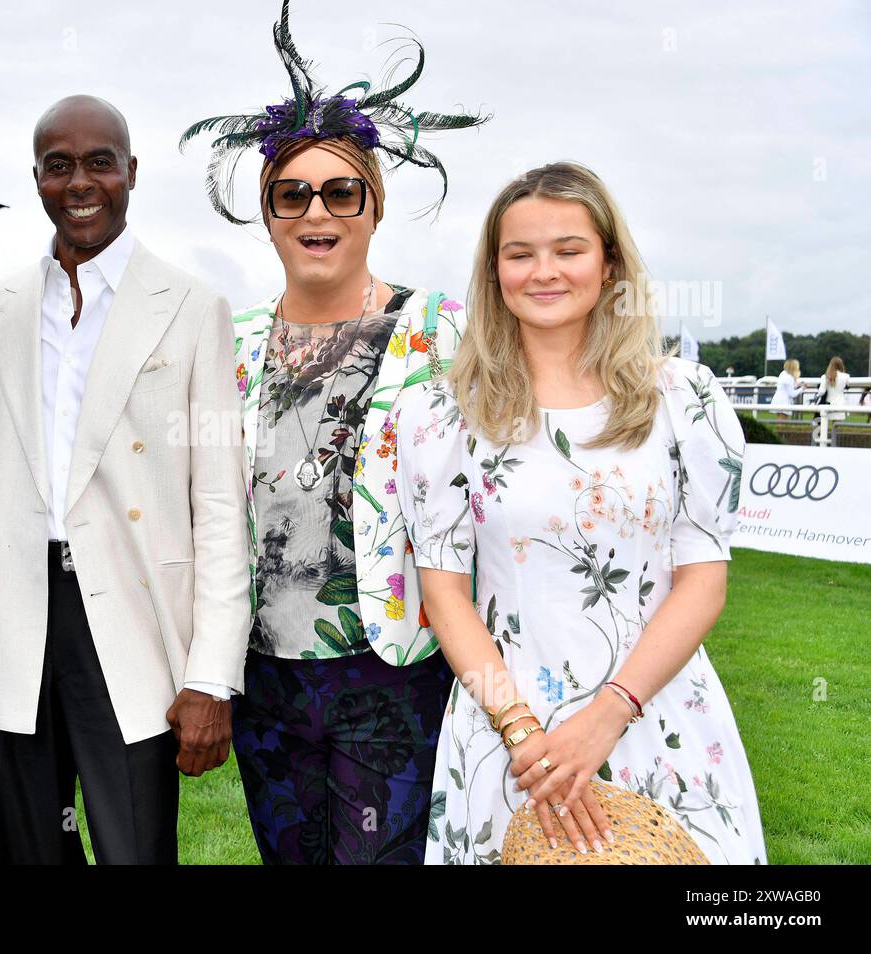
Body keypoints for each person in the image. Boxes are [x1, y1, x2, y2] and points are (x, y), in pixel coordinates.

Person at [182, 0, 484, 864]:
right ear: (269, 213)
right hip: (266, 673)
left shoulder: (443, 331)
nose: (318, 210)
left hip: (392, 667)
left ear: (374, 205)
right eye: (293, 193)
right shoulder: (226, 341)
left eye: (341, 189)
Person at [396, 161, 766, 864]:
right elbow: (446, 599)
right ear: (494, 271)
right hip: (508, 733)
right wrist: (524, 737)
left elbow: (704, 579)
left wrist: (609, 713)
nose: (545, 271)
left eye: (568, 249)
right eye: (520, 253)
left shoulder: (684, 400)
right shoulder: (441, 415)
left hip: (660, 713)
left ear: (609, 265)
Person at [0, 95, 250, 865]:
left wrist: (212, 676)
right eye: (59, 165)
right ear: (37, 179)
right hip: (14, 618)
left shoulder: (193, 307)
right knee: (28, 851)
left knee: (134, 850)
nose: (79, 181)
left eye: (98, 162)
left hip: (133, 622)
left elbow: (220, 506)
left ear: (130, 172)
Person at [816, 356, 849, 422]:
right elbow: (847, 386)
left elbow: (821, 392)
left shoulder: (825, 376)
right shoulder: (846, 376)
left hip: (828, 404)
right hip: (840, 403)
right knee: (837, 426)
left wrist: (817, 396)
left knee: (824, 426)